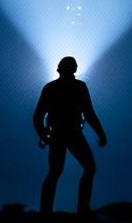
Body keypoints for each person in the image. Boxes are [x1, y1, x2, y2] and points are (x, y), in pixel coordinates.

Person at [32, 55, 106, 214]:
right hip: (71, 134)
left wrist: (43, 135)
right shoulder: (78, 87)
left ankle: (46, 212)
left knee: (55, 173)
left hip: (59, 135)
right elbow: (89, 113)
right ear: (74, 69)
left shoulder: (51, 88)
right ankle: (82, 208)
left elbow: (37, 117)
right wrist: (101, 134)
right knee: (88, 168)